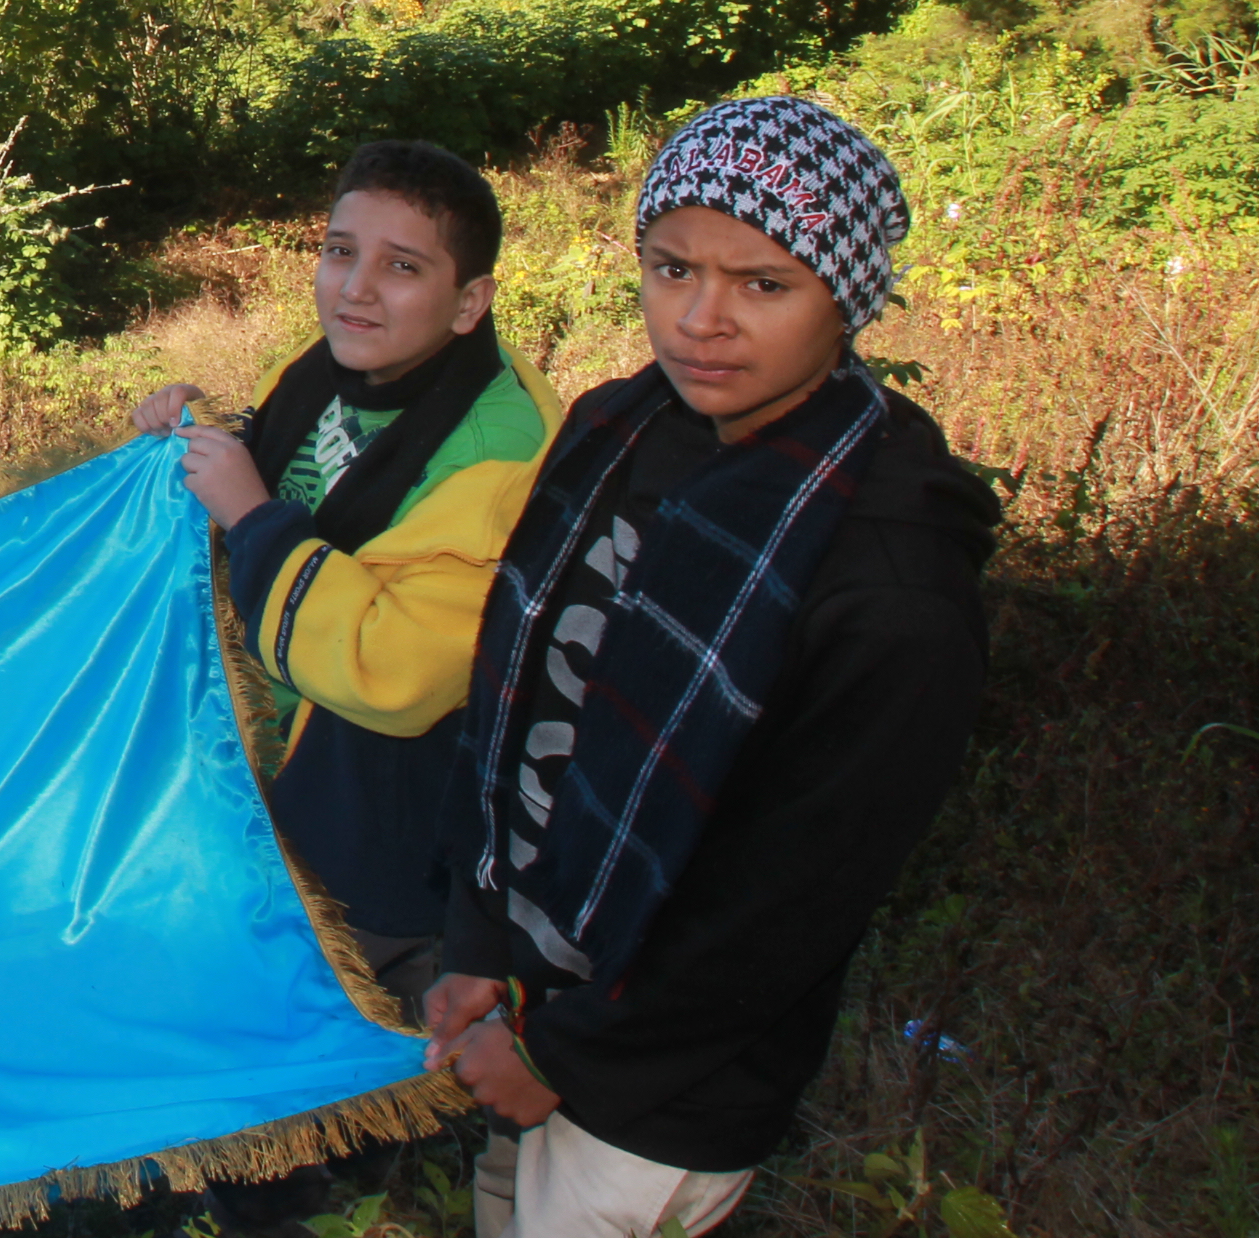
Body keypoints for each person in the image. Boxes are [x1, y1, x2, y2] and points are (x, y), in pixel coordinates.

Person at [423, 98, 997, 1237]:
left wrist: (567, 1053)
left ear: (848, 293)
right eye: (672, 267)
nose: (701, 320)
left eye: (763, 283)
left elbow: (790, 894)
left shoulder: (882, 571)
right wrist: (483, 942)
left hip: (655, 1089)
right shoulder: (620, 429)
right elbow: (521, 686)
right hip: (530, 986)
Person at [137, 139, 557, 1012]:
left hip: (377, 839)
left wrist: (250, 515)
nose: (355, 288)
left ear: (470, 301)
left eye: (402, 267)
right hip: (273, 784)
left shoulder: (498, 456)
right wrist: (199, 440)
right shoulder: (333, 356)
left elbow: (393, 669)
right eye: (338, 251)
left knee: (328, 1056)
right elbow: (297, 468)